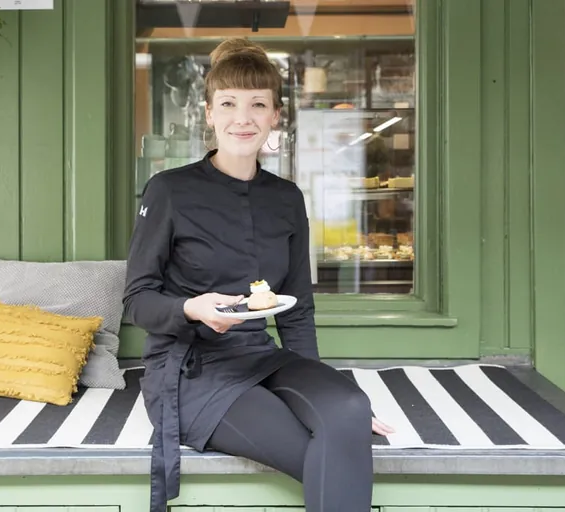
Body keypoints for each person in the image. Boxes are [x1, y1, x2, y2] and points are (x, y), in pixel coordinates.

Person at [123, 38, 394, 512]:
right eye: (228, 103)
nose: (242, 117)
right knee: (318, 448)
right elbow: (136, 299)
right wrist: (190, 308)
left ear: (275, 115)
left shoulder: (287, 198)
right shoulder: (169, 190)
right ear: (209, 114)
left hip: (260, 357)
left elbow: (296, 309)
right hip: (191, 370)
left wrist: (323, 390)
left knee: (349, 410)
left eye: (257, 105)